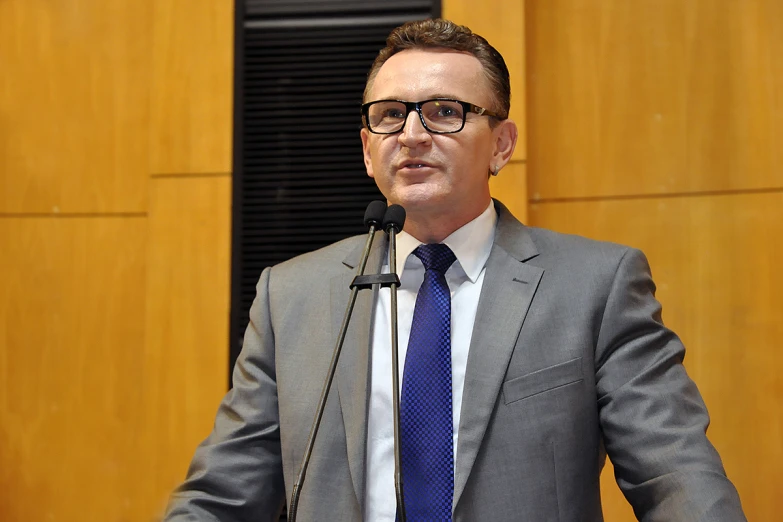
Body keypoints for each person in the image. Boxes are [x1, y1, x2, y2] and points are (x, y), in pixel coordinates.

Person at [164, 19, 746, 521]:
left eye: (445, 112)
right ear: (368, 150)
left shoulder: (594, 286)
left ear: (501, 145)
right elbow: (223, 494)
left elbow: (674, 476)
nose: (413, 134)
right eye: (390, 115)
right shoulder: (291, 297)